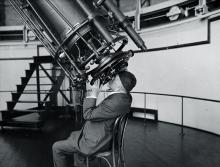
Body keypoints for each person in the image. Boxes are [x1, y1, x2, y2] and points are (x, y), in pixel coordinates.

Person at [52, 70, 137, 167]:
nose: (111, 78)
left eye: (115, 78)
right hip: (104, 136)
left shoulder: (116, 102)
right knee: (74, 135)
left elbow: (87, 114)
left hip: (96, 142)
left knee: (56, 147)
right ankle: (80, 163)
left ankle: (80, 160)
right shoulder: (125, 97)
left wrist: (94, 93)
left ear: (120, 85)